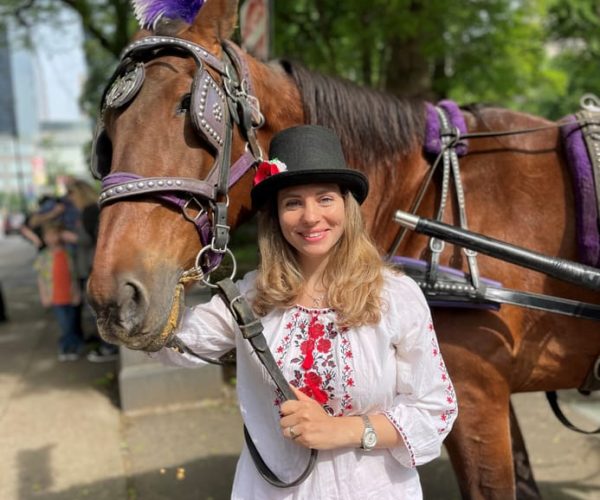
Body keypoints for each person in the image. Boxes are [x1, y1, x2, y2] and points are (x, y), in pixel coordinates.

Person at [148, 125, 457, 498]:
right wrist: (155, 270)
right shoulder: (250, 297)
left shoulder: (394, 296)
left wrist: (344, 430)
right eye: (293, 202)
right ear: (277, 216)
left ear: (347, 205)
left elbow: (435, 407)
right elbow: (170, 344)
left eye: (325, 198)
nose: (311, 216)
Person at [61, 179, 118, 362]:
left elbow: (94, 240)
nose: (71, 200)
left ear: (79, 194)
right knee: (98, 310)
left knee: (98, 311)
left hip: (91, 267)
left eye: (72, 195)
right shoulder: (92, 210)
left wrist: (72, 237)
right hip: (89, 267)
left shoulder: (89, 212)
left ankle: (109, 347)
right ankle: (107, 345)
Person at [34, 221, 83, 361]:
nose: (52, 239)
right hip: (55, 298)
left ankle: (73, 347)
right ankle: (65, 347)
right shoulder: (43, 256)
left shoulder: (69, 253)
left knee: (72, 323)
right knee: (64, 325)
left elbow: (74, 276)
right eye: (48, 236)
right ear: (44, 238)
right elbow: (41, 279)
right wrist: (44, 295)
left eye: (55, 235)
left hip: (70, 295)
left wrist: (77, 293)